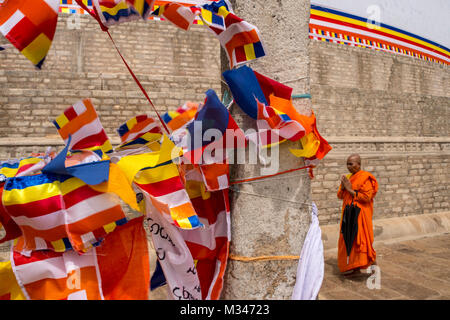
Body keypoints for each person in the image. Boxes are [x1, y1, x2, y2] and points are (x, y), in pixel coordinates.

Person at [337, 153, 378, 275]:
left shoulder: (365, 177)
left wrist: (350, 190)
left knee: (362, 240)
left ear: (359, 164)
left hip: (360, 215)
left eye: (351, 164)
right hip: (348, 214)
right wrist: (344, 187)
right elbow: (339, 195)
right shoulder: (348, 177)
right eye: (347, 164)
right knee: (349, 239)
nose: (349, 166)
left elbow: (366, 197)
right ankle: (355, 267)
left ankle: (374, 266)